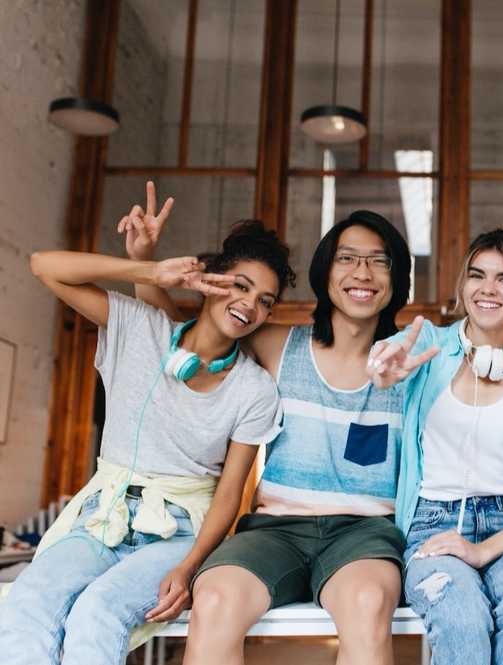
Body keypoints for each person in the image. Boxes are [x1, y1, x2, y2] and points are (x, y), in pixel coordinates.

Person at [122, 183, 421, 665]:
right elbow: (185, 340)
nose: (362, 272)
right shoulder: (279, 345)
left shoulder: (413, 361)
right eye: (347, 258)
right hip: (274, 531)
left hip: (366, 534)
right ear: (325, 273)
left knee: (367, 602)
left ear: (397, 277)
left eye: (379, 261)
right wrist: (144, 264)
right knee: (214, 598)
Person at [0, 219, 291, 665]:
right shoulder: (140, 328)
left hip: (180, 533)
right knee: (28, 602)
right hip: (103, 518)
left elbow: (229, 494)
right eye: (240, 286)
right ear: (209, 281)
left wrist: (189, 566)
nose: (249, 305)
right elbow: (44, 265)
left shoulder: (254, 390)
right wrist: (148, 270)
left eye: (264, 301)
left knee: (98, 611)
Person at [367, 228, 503, 665]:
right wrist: (382, 366)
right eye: (477, 275)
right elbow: (390, 353)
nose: (488, 288)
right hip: (432, 525)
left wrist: (486, 549)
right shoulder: (428, 345)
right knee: (462, 618)